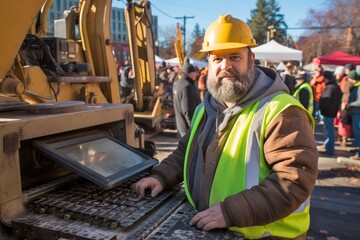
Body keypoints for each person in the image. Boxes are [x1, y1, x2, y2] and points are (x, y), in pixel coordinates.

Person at [132, 14, 318, 239]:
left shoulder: (281, 111)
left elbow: (293, 180)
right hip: (217, 227)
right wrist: (161, 176)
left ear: (251, 59)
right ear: (208, 64)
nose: (225, 66)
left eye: (234, 57)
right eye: (217, 59)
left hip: (266, 234)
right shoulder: (206, 108)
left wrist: (230, 212)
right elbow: (185, 154)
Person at [172, 62, 201, 137]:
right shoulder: (187, 86)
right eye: (194, 73)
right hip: (188, 128)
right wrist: (193, 127)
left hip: (181, 125)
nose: (196, 75)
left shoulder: (178, 83)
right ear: (189, 73)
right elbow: (188, 109)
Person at [318, 74, 342, 156]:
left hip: (328, 112)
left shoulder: (329, 87)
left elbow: (326, 100)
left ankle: (329, 149)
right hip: (332, 112)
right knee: (329, 130)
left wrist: (322, 109)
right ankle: (327, 146)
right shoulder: (335, 86)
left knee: (329, 131)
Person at [346, 70, 360, 160]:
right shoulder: (355, 86)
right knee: (357, 132)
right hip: (355, 112)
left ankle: (359, 154)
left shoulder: (358, 87)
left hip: (357, 112)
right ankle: (358, 150)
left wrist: (350, 104)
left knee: (358, 132)